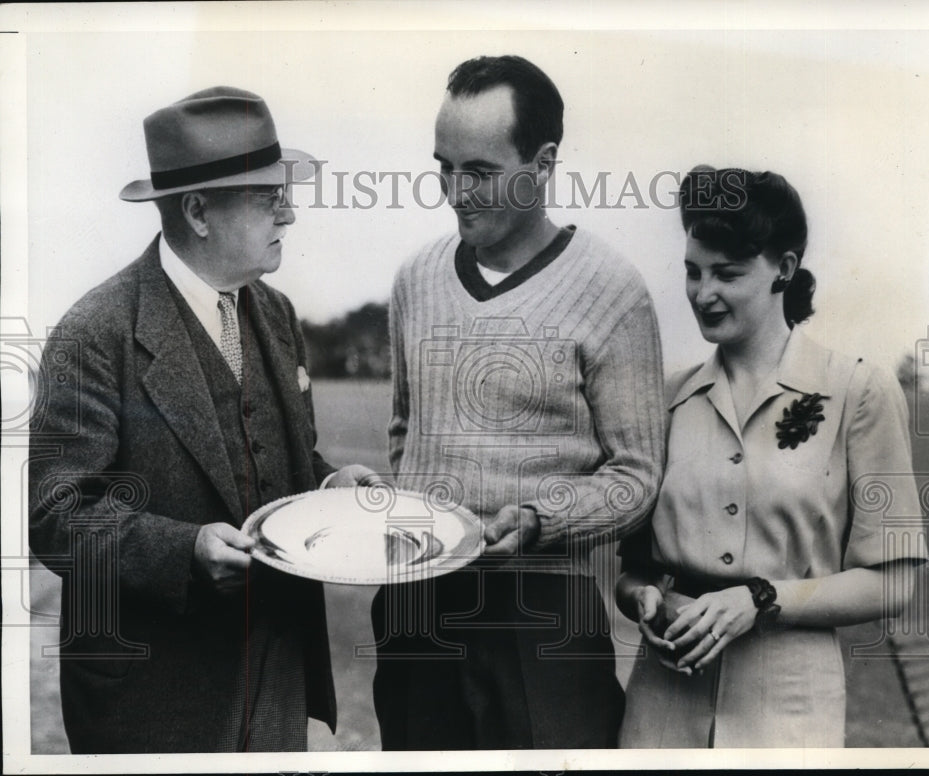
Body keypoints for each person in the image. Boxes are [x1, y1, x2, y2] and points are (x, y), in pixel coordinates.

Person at [28, 86, 377, 753]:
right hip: (153, 703)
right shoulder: (94, 331)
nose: (291, 213)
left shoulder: (274, 315)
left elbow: (283, 458)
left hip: (276, 686)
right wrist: (181, 552)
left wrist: (331, 487)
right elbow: (57, 516)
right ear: (197, 211)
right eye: (267, 196)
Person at [373, 55, 667, 749]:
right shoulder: (415, 279)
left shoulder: (613, 292)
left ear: (543, 162)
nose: (455, 191)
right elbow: (403, 435)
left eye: (479, 171)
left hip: (544, 617)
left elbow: (637, 477)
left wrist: (539, 521)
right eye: (444, 167)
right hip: (418, 608)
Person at [616, 166, 927, 748]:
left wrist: (759, 600)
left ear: (783, 269)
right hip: (660, 704)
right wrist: (642, 599)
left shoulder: (858, 391)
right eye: (692, 271)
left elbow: (894, 585)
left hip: (789, 710)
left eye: (727, 274)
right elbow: (632, 569)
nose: (702, 293)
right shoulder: (667, 397)